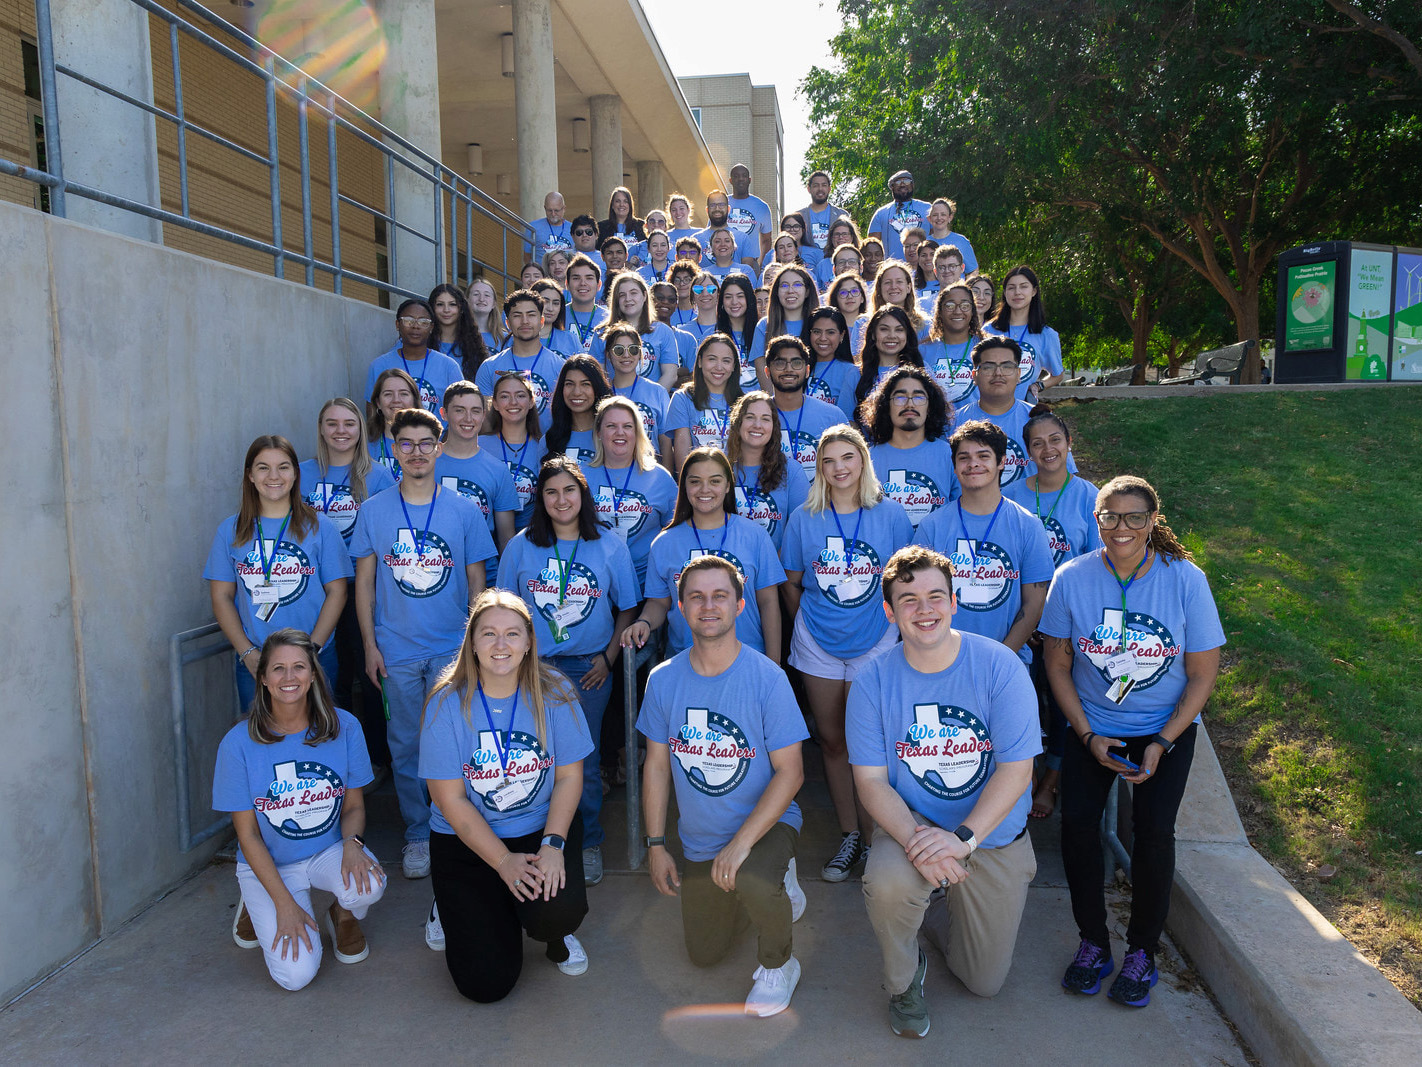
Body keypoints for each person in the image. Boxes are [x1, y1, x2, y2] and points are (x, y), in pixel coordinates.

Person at [1040, 476, 1225, 1008]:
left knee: (1153, 835)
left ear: (1152, 521)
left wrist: (1163, 742)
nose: (1121, 528)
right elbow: (1056, 662)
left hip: (1163, 729)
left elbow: (1202, 672)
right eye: (1109, 517)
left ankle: (1142, 951)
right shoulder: (1071, 577)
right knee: (1076, 828)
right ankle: (1093, 942)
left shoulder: (1186, 580)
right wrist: (1086, 734)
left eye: (1133, 517)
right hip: (1092, 725)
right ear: (1095, 520)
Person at [847, 546, 1039, 1036]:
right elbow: (869, 782)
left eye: (936, 596)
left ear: (955, 602)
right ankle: (903, 980)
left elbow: (1017, 771)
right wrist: (919, 842)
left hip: (988, 834)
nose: (925, 609)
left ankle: (935, 905)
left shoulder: (1000, 667)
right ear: (889, 611)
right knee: (889, 883)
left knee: (983, 982)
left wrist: (964, 840)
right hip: (912, 824)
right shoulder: (871, 680)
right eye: (908, 599)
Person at [635, 555, 809, 1017]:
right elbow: (656, 766)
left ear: (739, 605)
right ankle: (752, 888)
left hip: (766, 824)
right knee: (704, 955)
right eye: (696, 597)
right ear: (679, 606)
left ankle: (779, 963)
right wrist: (655, 844)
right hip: (700, 838)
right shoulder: (664, 679)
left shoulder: (767, 678)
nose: (707, 606)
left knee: (752, 874)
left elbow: (792, 772)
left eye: (719, 596)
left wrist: (741, 846)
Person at [419, 590, 593, 999]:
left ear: (530, 641)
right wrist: (502, 862)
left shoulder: (556, 692)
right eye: (489, 634)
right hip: (467, 840)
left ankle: (553, 936)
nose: (501, 645)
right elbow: (450, 801)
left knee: (555, 911)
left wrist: (552, 846)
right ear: (472, 643)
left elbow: (569, 778)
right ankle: (451, 904)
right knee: (485, 985)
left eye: (513, 634)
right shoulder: (445, 704)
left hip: (537, 831)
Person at [351, 408, 496, 880]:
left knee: (463, 741)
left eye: (425, 443)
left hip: (452, 648)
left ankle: (465, 827)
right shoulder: (374, 510)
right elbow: (365, 584)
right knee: (406, 743)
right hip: (396, 649)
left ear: (439, 447)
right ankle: (419, 833)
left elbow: (478, 583)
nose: (416, 452)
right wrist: (371, 646)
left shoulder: (463, 510)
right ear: (393, 451)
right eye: (406, 443)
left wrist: (475, 646)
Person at [213, 629, 386, 989]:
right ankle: (256, 898)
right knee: (295, 976)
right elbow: (247, 836)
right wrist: (284, 904)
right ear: (262, 678)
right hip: (271, 863)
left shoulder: (345, 726)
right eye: (278, 668)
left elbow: (353, 805)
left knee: (369, 884)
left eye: (298, 667)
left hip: (326, 850)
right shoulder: (237, 743)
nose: (289, 678)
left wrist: (352, 844)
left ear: (313, 674)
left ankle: (341, 913)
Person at [497, 457, 640, 884]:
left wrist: (609, 658)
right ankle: (537, 842)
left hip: (588, 670)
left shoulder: (609, 544)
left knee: (585, 759)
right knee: (535, 758)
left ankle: (588, 842)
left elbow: (627, 607)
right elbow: (504, 611)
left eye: (570, 491)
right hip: (532, 671)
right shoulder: (521, 546)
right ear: (540, 499)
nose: (562, 500)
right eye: (552, 492)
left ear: (583, 496)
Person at [782, 426, 914, 882]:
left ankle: (880, 839)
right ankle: (849, 836)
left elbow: (902, 584)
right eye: (828, 460)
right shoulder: (803, 517)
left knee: (869, 745)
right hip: (817, 643)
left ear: (863, 461)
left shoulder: (892, 515)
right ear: (818, 468)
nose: (839, 468)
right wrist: (820, 623)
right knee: (833, 741)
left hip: (875, 641)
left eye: (847, 458)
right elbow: (793, 583)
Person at [1005, 407, 1103, 819]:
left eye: (1055, 441)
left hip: (1066, 622)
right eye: (1038, 443)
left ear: (1068, 445)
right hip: (1020, 618)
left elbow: (1095, 564)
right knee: (1017, 702)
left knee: (1064, 704)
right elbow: (1003, 562)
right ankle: (1018, 778)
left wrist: (1055, 620)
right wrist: (1028, 619)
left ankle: (1051, 780)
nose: (1048, 449)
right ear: (1027, 451)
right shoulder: (1011, 493)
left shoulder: (1090, 496)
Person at [207, 436, 352, 713]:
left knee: (321, 738)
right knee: (264, 741)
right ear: (250, 475)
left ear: (295, 474)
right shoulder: (231, 530)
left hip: (315, 656)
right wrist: (247, 653)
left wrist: (311, 651)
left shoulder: (321, 527)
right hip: (258, 660)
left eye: (283, 467)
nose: (274, 476)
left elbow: (338, 591)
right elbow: (221, 597)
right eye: (263, 468)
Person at [301, 399, 398, 767]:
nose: (340, 430)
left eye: (349, 423)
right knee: (327, 672)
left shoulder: (378, 476)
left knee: (368, 671)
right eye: (332, 423)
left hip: (362, 587)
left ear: (361, 429)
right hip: (317, 590)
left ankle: (376, 758)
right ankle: (329, 752)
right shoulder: (301, 473)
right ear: (321, 429)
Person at [625, 446, 786, 661]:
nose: (704, 489)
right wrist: (643, 621)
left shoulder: (755, 536)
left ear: (728, 485)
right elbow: (659, 603)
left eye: (715, 481)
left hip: (747, 660)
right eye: (695, 481)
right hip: (686, 661)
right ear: (684, 486)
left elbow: (768, 603)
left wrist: (774, 663)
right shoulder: (664, 543)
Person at [914, 419, 1052, 667]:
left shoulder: (1028, 526)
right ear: (954, 466)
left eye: (983, 456)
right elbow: (920, 598)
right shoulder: (932, 527)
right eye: (964, 457)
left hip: (1008, 661)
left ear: (1001, 462)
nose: (973, 464)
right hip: (942, 660)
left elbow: (1034, 604)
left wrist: (1001, 657)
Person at [953, 336, 1070, 489]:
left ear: (1019, 374)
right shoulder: (954, 423)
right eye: (988, 367)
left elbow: (1065, 477)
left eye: (1007, 366)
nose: (998, 373)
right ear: (974, 376)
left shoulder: (1042, 420)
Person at [585, 394, 677, 586]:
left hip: (648, 582)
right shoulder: (581, 477)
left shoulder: (660, 478)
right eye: (611, 426)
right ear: (599, 432)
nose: (620, 432)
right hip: (595, 582)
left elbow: (675, 532)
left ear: (638, 432)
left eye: (627, 426)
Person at [434, 382, 517, 585]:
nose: (468, 419)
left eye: (475, 411)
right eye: (459, 411)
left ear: (484, 415)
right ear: (444, 413)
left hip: (485, 578)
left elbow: (506, 539)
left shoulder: (497, 470)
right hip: (433, 573)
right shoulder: (427, 463)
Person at [865, 366, 959, 529]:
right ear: (886, 406)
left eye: (918, 397)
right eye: (900, 397)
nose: (909, 404)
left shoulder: (950, 454)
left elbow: (960, 512)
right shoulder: (868, 458)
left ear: (930, 406)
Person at [726, 391, 809, 553]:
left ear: (773, 427)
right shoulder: (719, 466)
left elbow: (800, 531)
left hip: (776, 571)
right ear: (738, 423)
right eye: (750, 417)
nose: (757, 425)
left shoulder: (792, 471)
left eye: (765, 419)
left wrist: (772, 569)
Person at [475, 289, 567, 431]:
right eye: (517, 316)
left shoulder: (560, 366)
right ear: (507, 323)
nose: (525, 321)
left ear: (542, 321)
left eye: (531, 315)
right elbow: (486, 422)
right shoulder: (489, 366)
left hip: (547, 449)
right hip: (502, 450)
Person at [766, 335, 845, 481]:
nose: (788, 369)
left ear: (807, 371)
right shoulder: (758, 418)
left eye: (796, 363)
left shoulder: (833, 416)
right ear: (767, 372)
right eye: (780, 363)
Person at [365, 299, 464, 415]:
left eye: (423, 322)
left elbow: (461, 409)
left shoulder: (449, 367)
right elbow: (372, 416)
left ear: (431, 327)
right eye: (408, 321)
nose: (416, 326)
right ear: (397, 324)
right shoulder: (379, 366)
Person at [982, 266, 1065, 401]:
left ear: (1034, 291)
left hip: (1025, 412)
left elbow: (1058, 375)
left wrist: (1038, 386)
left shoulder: (1047, 335)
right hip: (989, 408)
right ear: (1005, 292)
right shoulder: (988, 330)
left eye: (1023, 286)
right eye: (1011, 288)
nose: (1017, 292)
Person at [667, 333, 745, 472]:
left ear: (734, 366)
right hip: (698, 479)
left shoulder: (744, 401)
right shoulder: (683, 398)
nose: (719, 367)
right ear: (700, 362)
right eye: (712, 359)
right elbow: (682, 448)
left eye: (726, 361)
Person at [478, 371, 543, 530]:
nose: (513, 402)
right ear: (495, 403)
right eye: (505, 396)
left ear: (531, 402)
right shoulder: (479, 444)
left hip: (530, 539)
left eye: (520, 396)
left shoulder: (543, 447)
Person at [601, 323, 673, 461]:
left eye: (633, 349)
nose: (626, 355)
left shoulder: (658, 392)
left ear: (640, 354)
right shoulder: (601, 392)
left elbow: (666, 443)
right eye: (619, 350)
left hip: (650, 472)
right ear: (608, 355)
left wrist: (666, 479)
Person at [751, 264, 820, 386]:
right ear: (776, 292)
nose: (790, 290)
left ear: (807, 291)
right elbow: (762, 372)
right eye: (784, 285)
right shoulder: (764, 326)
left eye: (797, 284)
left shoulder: (819, 324)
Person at [852, 305, 926, 414]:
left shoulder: (922, 370)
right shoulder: (855, 373)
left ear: (907, 335)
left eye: (899, 330)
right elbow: (848, 419)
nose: (892, 336)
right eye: (884, 329)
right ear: (873, 334)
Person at [541, 354, 612, 465]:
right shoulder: (549, 441)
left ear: (597, 388)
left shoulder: (612, 436)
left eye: (585, 384)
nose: (577, 392)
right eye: (569, 384)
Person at [921, 282, 983, 408]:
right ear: (940, 311)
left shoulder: (985, 348)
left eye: (965, 305)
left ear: (972, 310)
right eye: (950, 305)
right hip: (936, 426)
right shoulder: (922, 351)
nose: (957, 311)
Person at [802, 306, 860, 417]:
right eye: (817, 332)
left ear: (841, 335)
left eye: (830, 332)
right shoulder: (799, 367)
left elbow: (846, 418)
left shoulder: (850, 371)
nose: (823, 338)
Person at [429, 283, 491, 383]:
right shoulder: (421, 342)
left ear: (461, 308)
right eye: (440, 304)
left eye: (452, 304)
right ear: (432, 308)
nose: (446, 310)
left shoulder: (474, 345)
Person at [366, 368, 420, 479]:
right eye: (388, 394)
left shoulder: (429, 444)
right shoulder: (363, 444)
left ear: (414, 400)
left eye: (404, 394)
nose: (396, 400)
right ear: (378, 403)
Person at [869, 170, 933, 262]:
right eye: (898, 182)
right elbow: (872, 245)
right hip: (893, 268)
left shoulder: (927, 208)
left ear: (912, 185)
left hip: (923, 267)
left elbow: (937, 237)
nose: (903, 185)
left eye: (907, 181)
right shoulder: (881, 213)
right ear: (892, 187)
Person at [715, 273, 760, 392]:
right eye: (728, 297)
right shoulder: (713, 334)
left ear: (749, 298)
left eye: (740, 296)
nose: (734, 302)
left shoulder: (762, 331)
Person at [698, 189, 761, 273]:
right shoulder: (696, 239)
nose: (717, 208)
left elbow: (747, 273)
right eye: (712, 205)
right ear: (707, 210)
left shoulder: (743, 238)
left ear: (728, 209)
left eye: (721, 205)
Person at [869, 260, 928, 340]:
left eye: (899, 282)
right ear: (880, 288)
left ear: (908, 287)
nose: (893, 287)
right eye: (888, 282)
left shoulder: (924, 325)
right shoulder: (864, 323)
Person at [564, 254, 610, 353]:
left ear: (599, 285)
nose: (583, 283)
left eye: (589, 278)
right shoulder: (557, 317)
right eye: (576, 278)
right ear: (567, 284)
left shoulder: (610, 319)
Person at [726, 162, 774, 258]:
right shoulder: (722, 204)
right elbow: (711, 232)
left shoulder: (761, 206)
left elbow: (766, 240)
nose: (740, 179)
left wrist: (762, 265)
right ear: (730, 180)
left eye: (744, 176)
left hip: (751, 262)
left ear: (749, 180)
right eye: (736, 176)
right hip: (724, 261)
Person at [795, 169, 848, 252]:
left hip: (834, 261)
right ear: (809, 189)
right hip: (807, 262)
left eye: (824, 185)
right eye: (816, 185)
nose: (820, 189)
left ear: (829, 188)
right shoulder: (799, 216)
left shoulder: (842, 215)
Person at [926, 197, 979, 274]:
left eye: (943, 214)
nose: (939, 218)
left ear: (950, 217)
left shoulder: (961, 241)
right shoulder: (925, 242)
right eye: (935, 215)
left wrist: (963, 286)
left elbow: (973, 271)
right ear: (929, 219)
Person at [531, 278, 582, 356]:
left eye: (555, 303)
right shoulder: (516, 339)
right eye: (545, 301)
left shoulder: (571, 339)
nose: (550, 308)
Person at [524, 190, 573, 265]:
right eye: (549, 210)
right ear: (544, 208)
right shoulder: (533, 227)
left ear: (564, 209)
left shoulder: (574, 229)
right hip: (542, 275)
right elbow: (527, 256)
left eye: (556, 210)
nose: (553, 214)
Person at [815, 218, 862, 288]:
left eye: (845, 234)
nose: (840, 237)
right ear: (831, 238)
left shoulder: (861, 261)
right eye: (837, 234)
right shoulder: (822, 266)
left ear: (852, 237)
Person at [597, 185, 646, 251]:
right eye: (618, 201)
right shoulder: (601, 227)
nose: (621, 205)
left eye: (625, 201)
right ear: (612, 205)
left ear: (630, 205)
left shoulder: (641, 225)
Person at [466, 277, 502, 353]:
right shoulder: (455, 336)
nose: (481, 299)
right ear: (467, 300)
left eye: (487, 295)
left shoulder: (505, 339)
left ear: (494, 304)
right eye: (476, 294)